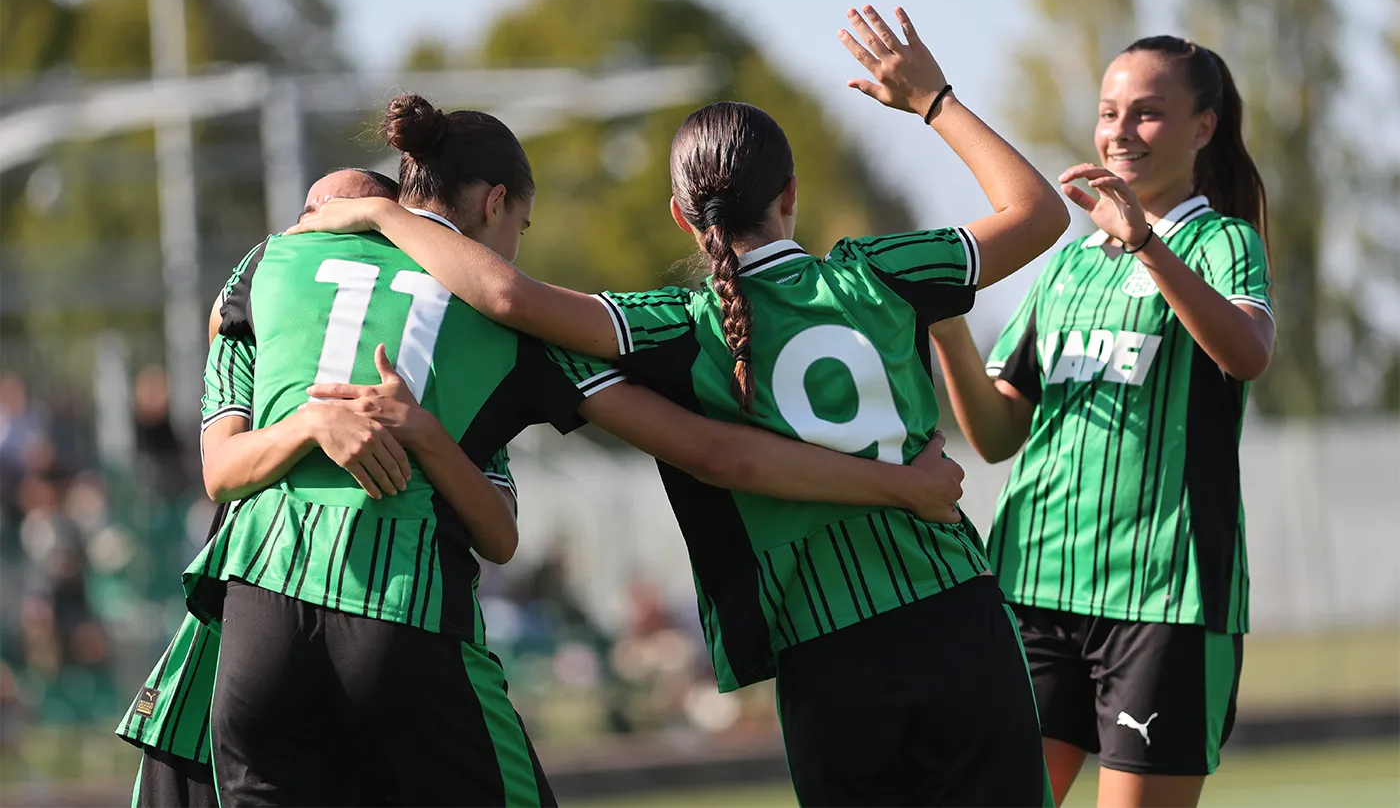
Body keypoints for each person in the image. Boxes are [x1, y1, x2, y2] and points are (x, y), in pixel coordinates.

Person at [290, 5, 1070, 808]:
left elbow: (505, 292)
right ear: (791, 194)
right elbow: (1041, 213)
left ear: (680, 217)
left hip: (825, 649)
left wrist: (388, 213)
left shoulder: (676, 329)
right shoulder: (881, 270)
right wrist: (933, 100)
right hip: (960, 617)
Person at [186, 94, 972, 808]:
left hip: (251, 628)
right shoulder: (513, 326)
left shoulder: (266, 264)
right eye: (519, 229)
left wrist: (315, 423)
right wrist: (897, 484)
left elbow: (222, 461)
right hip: (403, 620)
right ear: (497, 205)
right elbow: (708, 449)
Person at [927, 38, 1273, 808]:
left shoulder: (1223, 243)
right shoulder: (1067, 265)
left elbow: (1248, 353)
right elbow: (996, 435)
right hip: (1034, 588)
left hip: (1163, 599)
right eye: (1110, 111)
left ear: (1204, 128)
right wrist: (947, 324)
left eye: (1149, 114)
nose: (1121, 131)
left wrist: (1145, 243)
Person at [119, 169, 404, 808]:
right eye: (305, 213)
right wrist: (308, 423)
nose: (306, 228)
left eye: (326, 214)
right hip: (252, 609)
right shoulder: (262, 304)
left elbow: (501, 529)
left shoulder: (424, 335)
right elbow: (220, 470)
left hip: (381, 615)